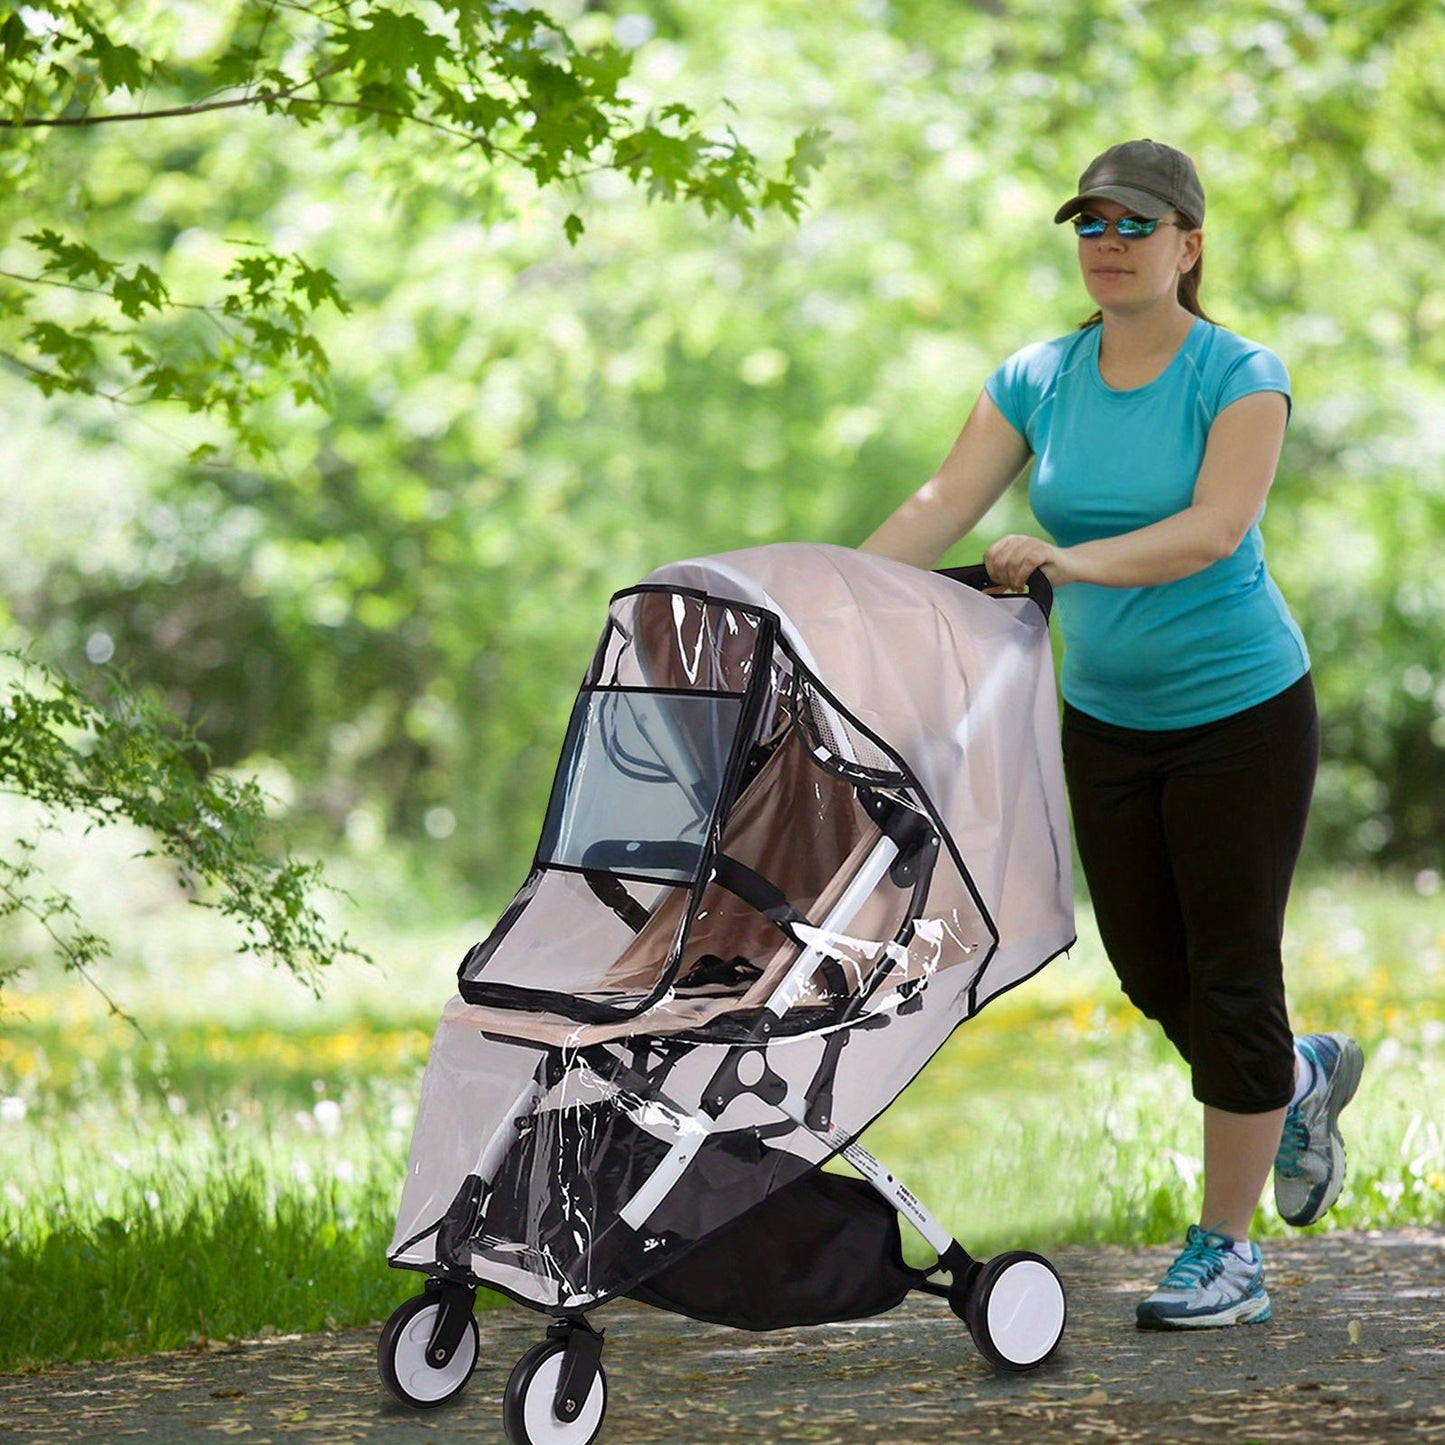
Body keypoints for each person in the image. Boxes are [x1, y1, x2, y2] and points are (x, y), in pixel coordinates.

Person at [860, 139, 1364, 1330]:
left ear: (1187, 245)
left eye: (1134, 225)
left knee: (1233, 970)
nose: (1107, 242)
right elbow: (942, 502)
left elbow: (1210, 527)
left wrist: (1065, 561)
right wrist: (821, 595)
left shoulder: (1237, 374)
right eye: (1088, 223)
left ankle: (1226, 1251)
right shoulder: (1039, 374)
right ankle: (1293, 1081)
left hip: (1241, 713)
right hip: (1107, 718)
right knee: (1148, 966)